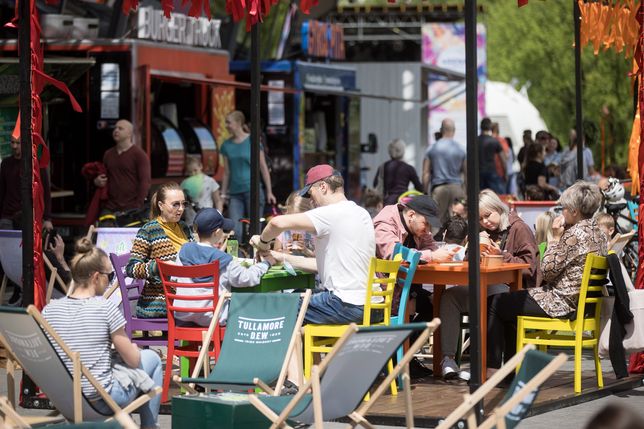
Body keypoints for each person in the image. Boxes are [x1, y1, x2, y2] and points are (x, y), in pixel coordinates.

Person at [487, 181, 607, 370]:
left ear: (575, 211)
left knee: (496, 304)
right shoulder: (599, 233)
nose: (562, 212)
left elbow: (547, 271)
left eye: (564, 208)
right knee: (507, 304)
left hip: (560, 303)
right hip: (582, 304)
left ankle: (494, 370)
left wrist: (555, 238)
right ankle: (508, 372)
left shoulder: (573, 235)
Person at [43, 238, 162, 428]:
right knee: (152, 359)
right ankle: (149, 426)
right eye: (111, 275)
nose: (111, 280)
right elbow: (133, 360)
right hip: (101, 400)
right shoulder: (104, 308)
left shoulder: (49, 310)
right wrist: (132, 347)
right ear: (96, 277)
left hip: (64, 399)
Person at [250, 164, 375, 325]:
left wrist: (263, 243)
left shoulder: (330, 213)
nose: (311, 201)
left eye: (310, 194)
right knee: (297, 297)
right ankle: (304, 350)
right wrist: (279, 256)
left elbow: (276, 223)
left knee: (280, 308)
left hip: (346, 305)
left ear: (323, 187)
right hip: (372, 305)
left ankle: (294, 351)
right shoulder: (360, 212)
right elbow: (321, 265)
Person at [439, 189, 541, 380]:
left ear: (498, 209)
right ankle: (448, 360)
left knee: (494, 296)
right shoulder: (481, 231)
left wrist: (501, 255)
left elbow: (530, 268)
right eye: (480, 218)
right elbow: (468, 263)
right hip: (484, 287)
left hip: (511, 290)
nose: (485, 221)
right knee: (449, 296)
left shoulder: (518, 229)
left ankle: (486, 365)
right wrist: (475, 247)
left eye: (487, 215)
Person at [373, 195, 460, 337]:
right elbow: (393, 253)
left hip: (406, 289)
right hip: (383, 294)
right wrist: (431, 256)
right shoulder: (385, 223)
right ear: (411, 215)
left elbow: (431, 246)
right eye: (426, 223)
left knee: (439, 306)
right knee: (428, 303)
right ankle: (400, 353)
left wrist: (443, 253)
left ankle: (407, 351)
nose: (427, 229)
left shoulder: (417, 226)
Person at [174, 208, 278, 326]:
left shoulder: (183, 251)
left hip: (183, 314)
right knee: (247, 304)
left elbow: (174, 280)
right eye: (223, 229)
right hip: (212, 318)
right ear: (217, 232)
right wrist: (266, 263)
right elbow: (247, 278)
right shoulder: (223, 259)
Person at [127, 183, 194, 318]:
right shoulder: (149, 230)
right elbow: (131, 269)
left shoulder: (183, 227)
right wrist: (159, 266)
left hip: (187, 294)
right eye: (175, 204)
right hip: (162, 301)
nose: (180, 209)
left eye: (183, 204)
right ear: (161, 205)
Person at [220, 111, 276, 240]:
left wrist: (269, 192)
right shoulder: (226, 145)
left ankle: (256, 258)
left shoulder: (252, 140)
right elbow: (227, 172)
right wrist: (223, 194)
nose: (226, 125)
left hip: (254, 191)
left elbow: (263, 167)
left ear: (238, 122)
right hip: (235, 194)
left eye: (229, 122)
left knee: (255, 230)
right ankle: (236, 259)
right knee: (235, 232)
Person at [93, 120, 151, 220]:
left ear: (129, 133)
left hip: (131, 209)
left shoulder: (139, 155)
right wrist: (97, 181)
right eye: (115, 128)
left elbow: (145, 182)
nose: (116, 130)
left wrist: (138, 206)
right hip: (110, 207)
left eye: (120, 128)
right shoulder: (108, 154)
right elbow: (104, 175)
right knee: (104, 234)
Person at [0, 136, 52, 231]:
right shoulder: (6, 164)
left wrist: (47, 218)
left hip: (30, 216)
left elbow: (45, 192)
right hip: (8, 216)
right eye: (12, 142)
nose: (14, 146)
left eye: (18, 143)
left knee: (28, 245)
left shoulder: (36, 165)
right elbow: (1, 191)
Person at [423, 119, 466, 224]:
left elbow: (426, 173)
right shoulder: (461, 149)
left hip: (439, 190)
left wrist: (424, 192)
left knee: (436, 224)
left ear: (441, 130)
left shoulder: (432, 149)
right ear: (454, 131)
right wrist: (466, 192)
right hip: (457, 189)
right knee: (458, 224)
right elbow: (466, 173)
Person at [374, 139, 423, 206]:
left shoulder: (383, 166)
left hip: (387, 202)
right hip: (403, 202)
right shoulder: (409, 168)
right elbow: (419, 188)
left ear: (389, 151)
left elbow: (375, 184)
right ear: (402, 151)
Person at [274, 191, 315, 257]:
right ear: (288, 213)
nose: (297, 223)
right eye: (293, 218)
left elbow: (320, 258)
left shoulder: (313, 232)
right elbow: (275, 252)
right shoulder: (283, 231)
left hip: (306, 266)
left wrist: (306, 251)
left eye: (300, 219)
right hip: (289, 266)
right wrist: (284, 252)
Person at [478, 117, 506, 194]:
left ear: (480, 127)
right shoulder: (494, 141)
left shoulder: (475, 141)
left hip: (478, 174)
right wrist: (505, 173)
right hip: (491, 172)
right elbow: (503, 159)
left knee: (480, 197)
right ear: (490, 127)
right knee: (498, 195)